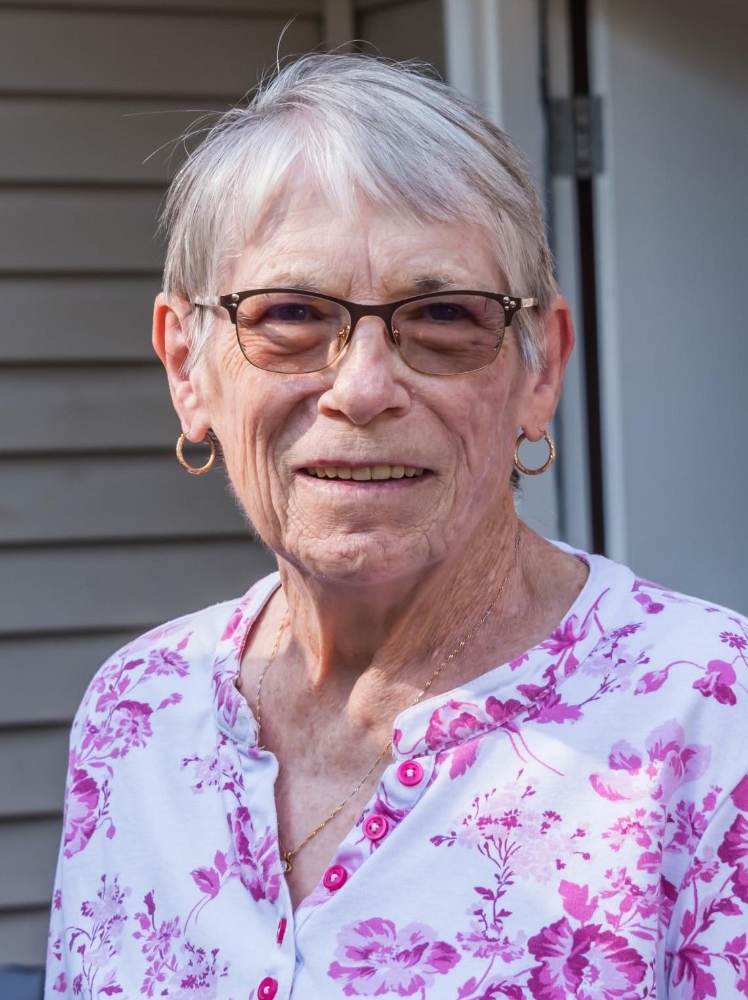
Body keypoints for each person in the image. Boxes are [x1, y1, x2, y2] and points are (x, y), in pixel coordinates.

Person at [46, 55, 748, 1000]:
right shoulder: (138, 714)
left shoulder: (712, 722)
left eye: (444, 315)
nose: (364, 388)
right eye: (291, 314)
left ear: (540, 371)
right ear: (187, 368)